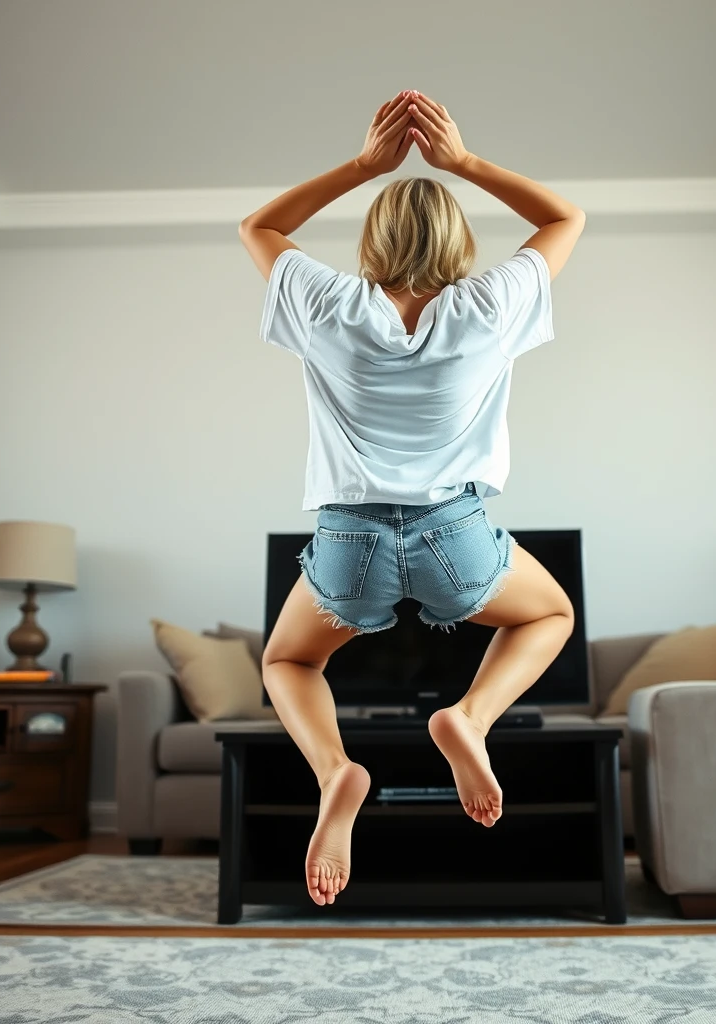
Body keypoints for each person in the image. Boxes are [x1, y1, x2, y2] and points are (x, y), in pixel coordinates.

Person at [239, 90, 584, 906]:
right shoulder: (488, 306)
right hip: (452, 535)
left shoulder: (328, 304)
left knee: (289, 660)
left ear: (373, 238)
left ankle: (336, 772)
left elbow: (259, 228)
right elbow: (564, 219)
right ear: (460, 241)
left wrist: (365, 166)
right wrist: (463, 162)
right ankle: (469, 718)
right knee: (550, 616)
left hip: (347, 541)